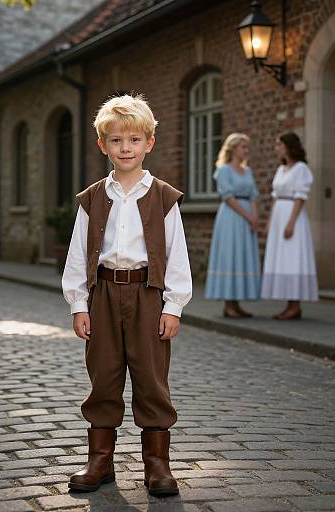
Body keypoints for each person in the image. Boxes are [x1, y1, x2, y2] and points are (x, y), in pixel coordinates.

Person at [62, 94, 192, 496]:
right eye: (116, 141)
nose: (125, 149)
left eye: (134, 140)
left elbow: (177, 255)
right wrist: (78, 304)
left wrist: (174, 305)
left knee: (151, 377)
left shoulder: (164, 197)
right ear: (103, 145)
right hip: (102, 293)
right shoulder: (92, 198)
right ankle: (99, 461)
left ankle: (157, 465)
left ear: (149, 143)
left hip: (148, 295)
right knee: (103, 374)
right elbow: (77, 253)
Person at [261, 132, 318, 319]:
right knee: (282, 259)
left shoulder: (301, 168)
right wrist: (270, 222)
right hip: (279, 216)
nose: (276, 148)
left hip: (293, 216)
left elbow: (301, 197)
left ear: (288, 146)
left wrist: (291, 222)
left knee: (293, 258)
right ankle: (289, 305)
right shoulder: (281, 169)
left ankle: (295, 305)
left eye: (279, 144)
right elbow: (275, 197)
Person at [204, 133, 261, 317]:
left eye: (247, 147)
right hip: (231, 217)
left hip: (246, 219)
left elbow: (253, 195)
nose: (246, 151)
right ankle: (228, 304)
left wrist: (255, 217)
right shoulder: (223, 170)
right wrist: (247, 215)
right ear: (233, 148)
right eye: (243, 147)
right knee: (230, 255)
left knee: (242, 256)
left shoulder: (248, 171)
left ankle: (236, 303)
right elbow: (227, 197)